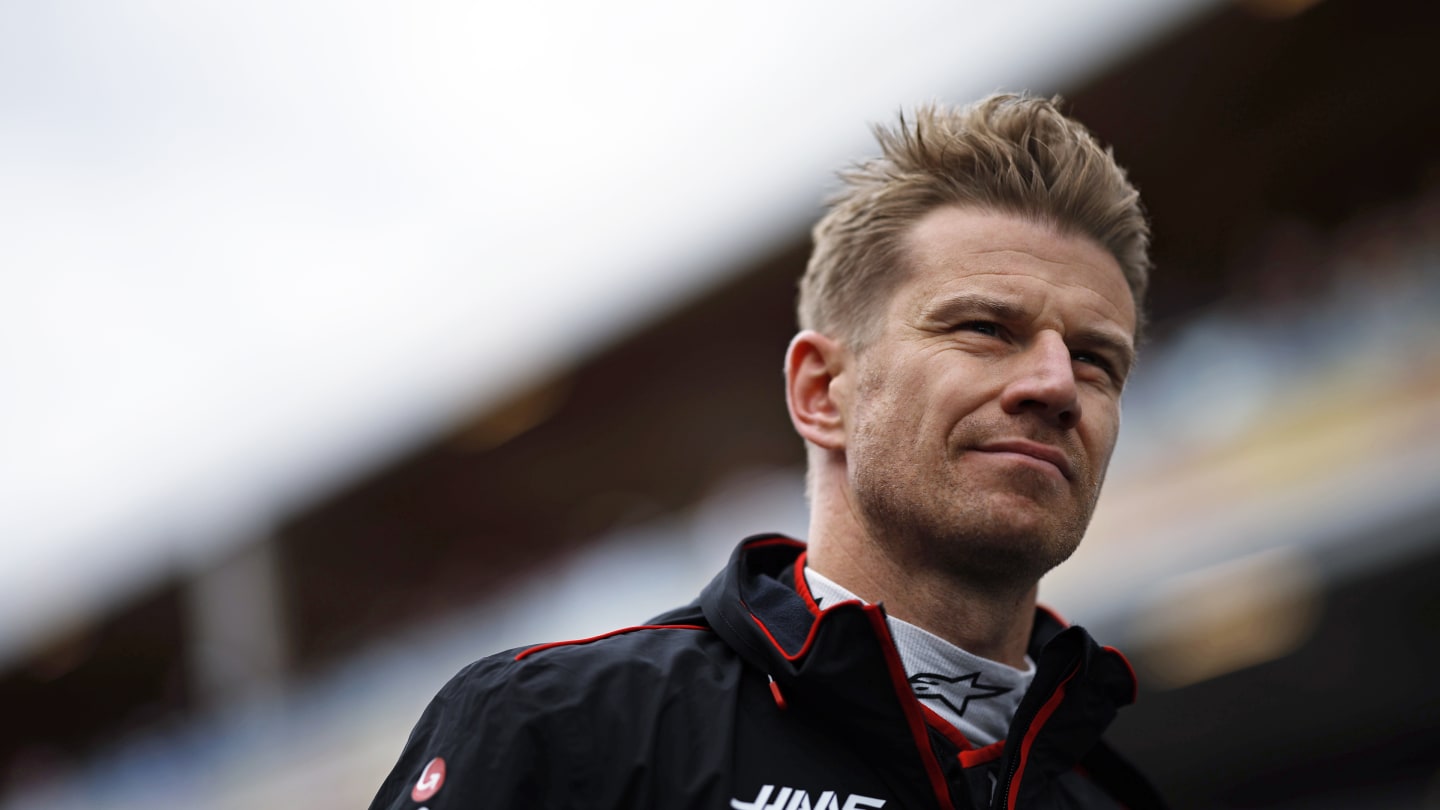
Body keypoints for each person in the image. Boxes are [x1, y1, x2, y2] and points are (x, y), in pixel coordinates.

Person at [369, 93, 1167, 810]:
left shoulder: (1111, 795)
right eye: (985, 329)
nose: (1058, 385)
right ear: (822, 393)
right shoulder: (563, 725)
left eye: (1098, 361)